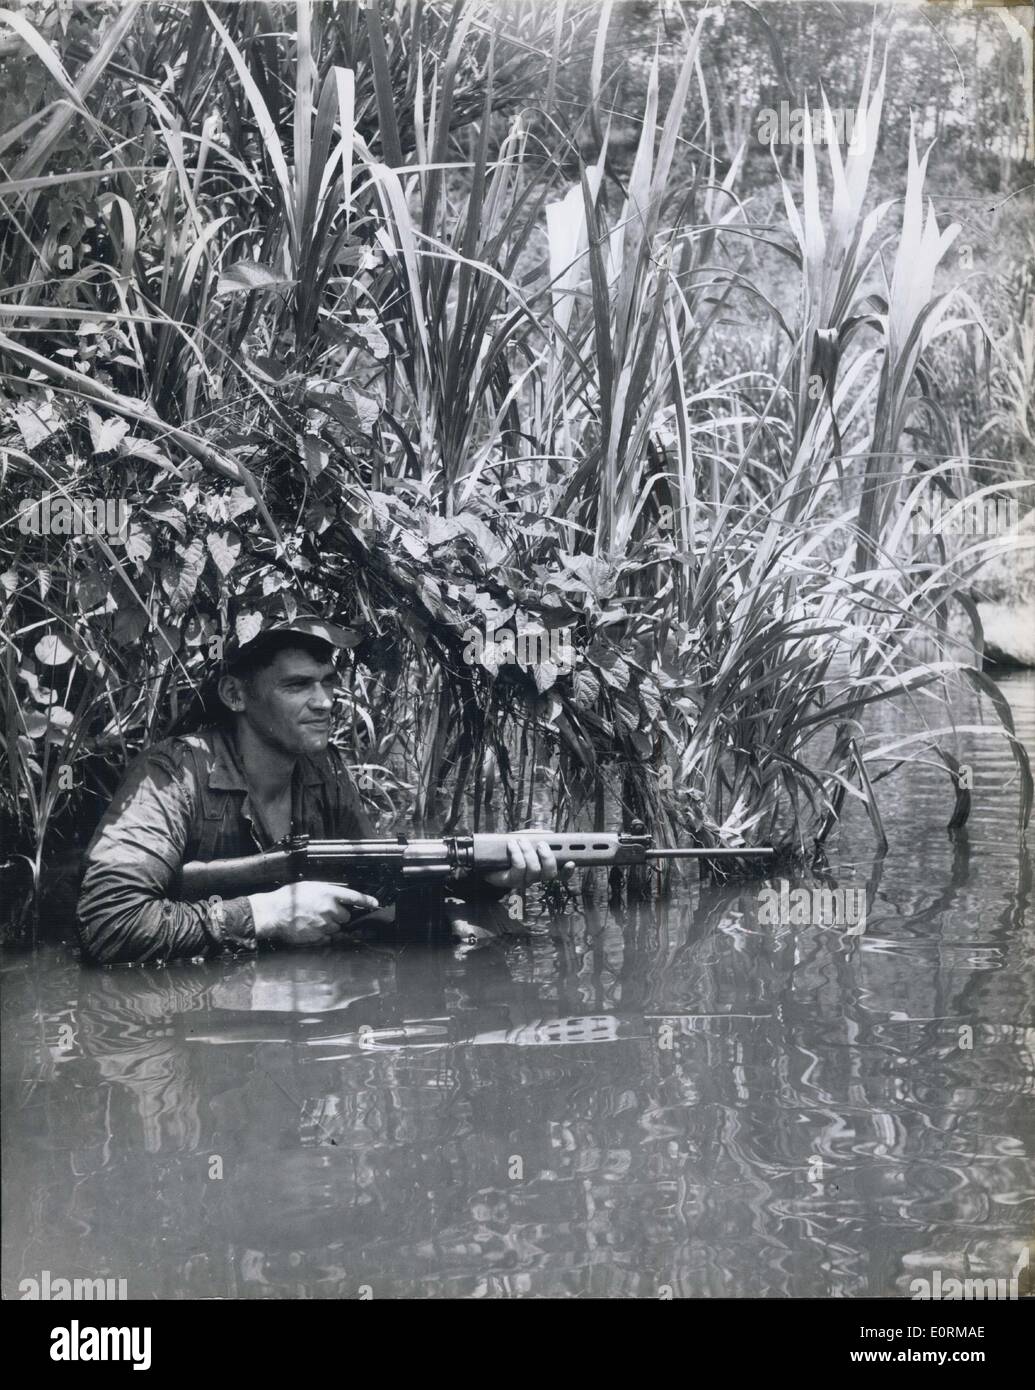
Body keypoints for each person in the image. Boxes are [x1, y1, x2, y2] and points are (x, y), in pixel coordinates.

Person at [76, 618, 570, 965]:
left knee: (484, 926)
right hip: (187, 1036)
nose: (325, 702)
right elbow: (110, 922)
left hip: (275, 1016)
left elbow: (379, 890)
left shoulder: (323, 769)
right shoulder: (173, 773)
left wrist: (492, 879)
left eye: (329, 683)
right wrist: (266, 914)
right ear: (235, 695)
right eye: (298, 686)